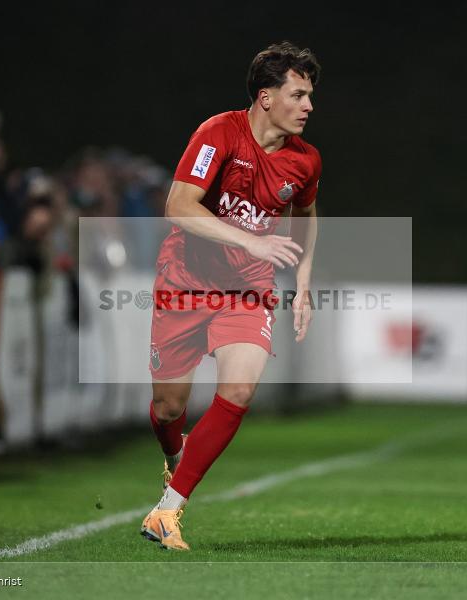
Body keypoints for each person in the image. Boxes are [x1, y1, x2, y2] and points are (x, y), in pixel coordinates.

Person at [139, 41, 321, 550]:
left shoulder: (305, 161)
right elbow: (179, 206)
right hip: (185, 282)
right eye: (298, 95)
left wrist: (304, 283)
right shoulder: (218, 132)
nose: (308, 106)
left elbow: (307, 216)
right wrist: (249, 239)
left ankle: (167, 511)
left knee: (239, 390)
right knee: (168, 408)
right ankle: (175, 457)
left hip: (248, 288)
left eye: (310, 96)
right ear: (266, 97)